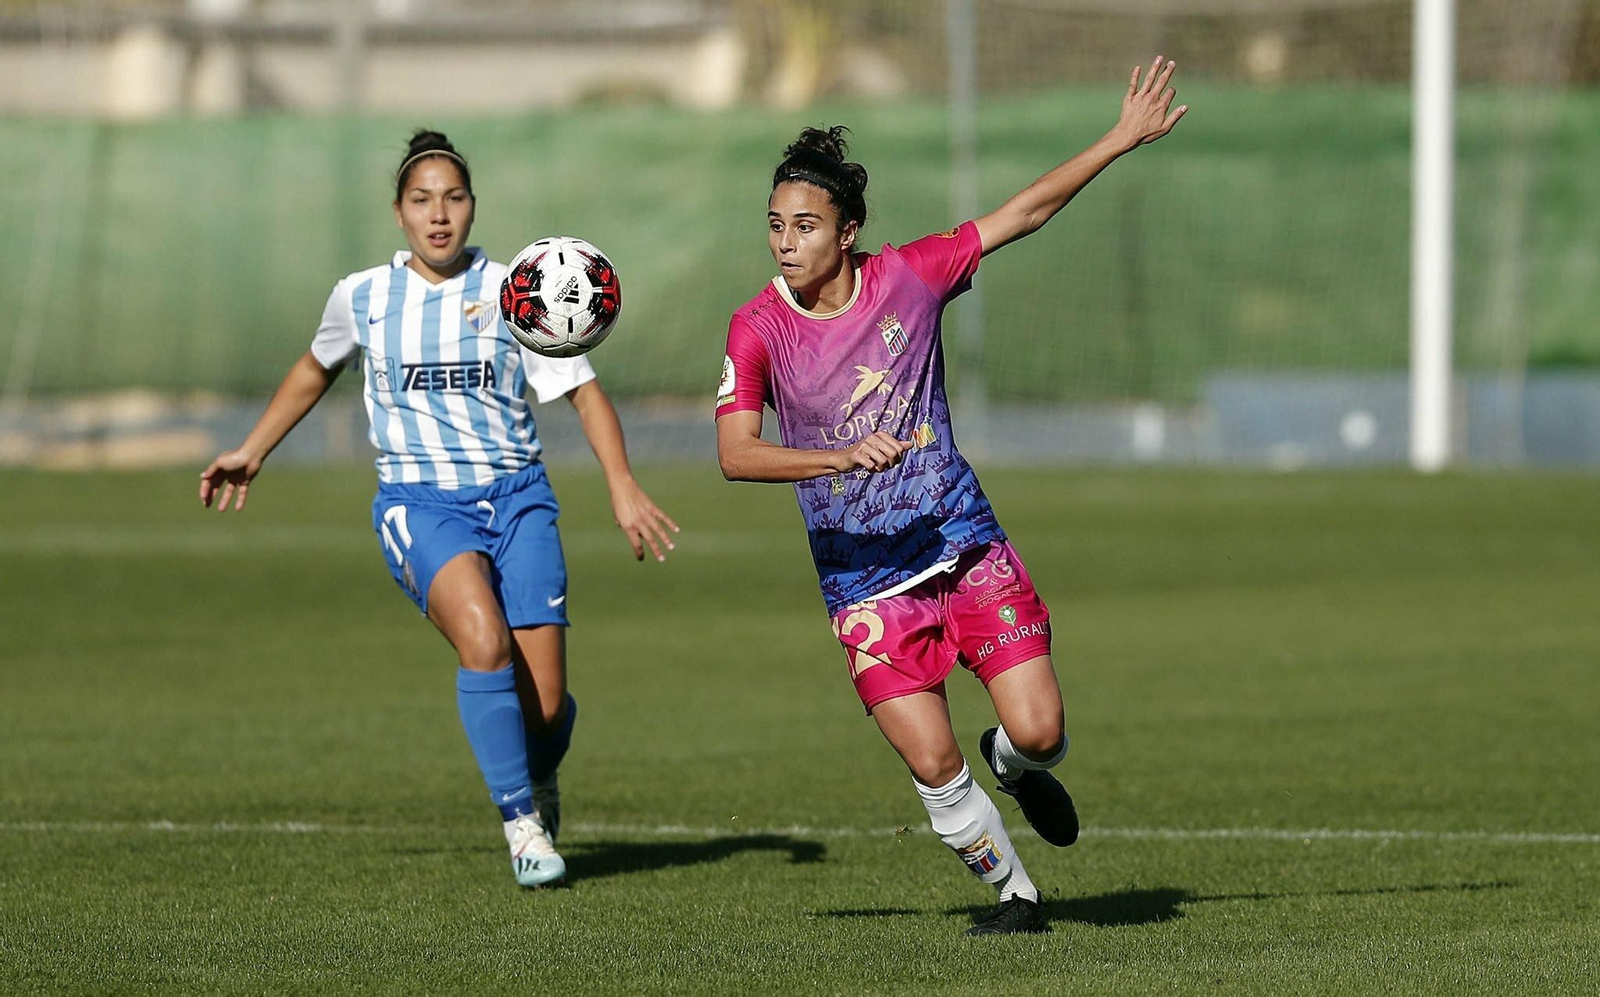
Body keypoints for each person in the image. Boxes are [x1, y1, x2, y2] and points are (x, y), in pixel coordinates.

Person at [716, 59, 1186, 934]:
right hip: (863, 579)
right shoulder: (759, 327)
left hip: (961, 542)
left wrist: (1119, 140)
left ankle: (1013, 765)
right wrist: (837, 456)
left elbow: (1025, 212)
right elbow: (735, 455)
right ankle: (1018, 897)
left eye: (806, 225)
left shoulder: (912, 275)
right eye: (776, 224)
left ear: (848, 231)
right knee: (930, 758)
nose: (786, 241)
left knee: (1041, 731)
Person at [200, 129, 678, 888]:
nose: (439, 213)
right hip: (420, 503)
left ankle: (538, 768)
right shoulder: (362, 296)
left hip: (519, 499)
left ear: (472, 207)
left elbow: (584, 392)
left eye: (453, 198)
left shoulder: (516, 289)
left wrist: (621, 483)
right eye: (422, 199)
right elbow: (312, 368)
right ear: (398, 212)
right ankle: (522, 825)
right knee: (482, 640)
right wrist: (252, 448)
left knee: (545, 710)